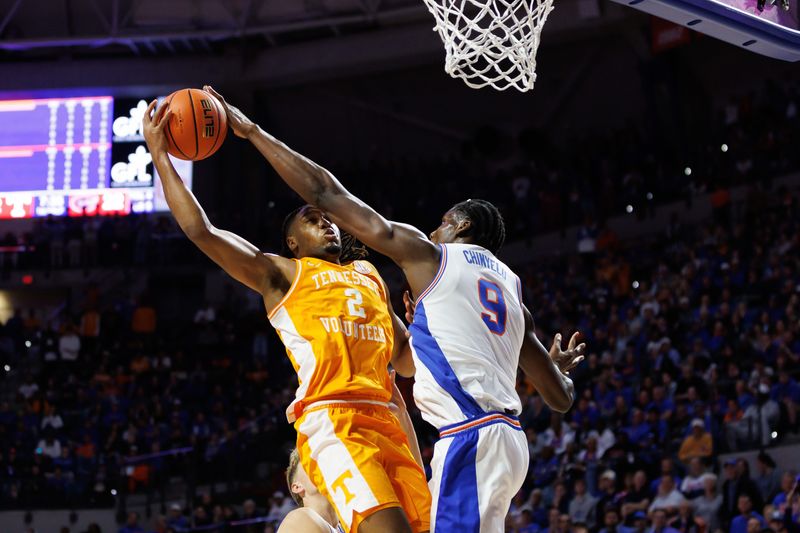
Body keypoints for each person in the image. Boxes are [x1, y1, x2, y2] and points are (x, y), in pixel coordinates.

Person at [206, 85, 584, 533]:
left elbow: (326, 193)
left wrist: (252, 132)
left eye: (443, 222)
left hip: (469, 437)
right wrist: (555, 370)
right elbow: (560, 398)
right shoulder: (512, 290)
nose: (434, 228)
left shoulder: (432, 257)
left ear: (460, 226)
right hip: (510, 443)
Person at [143, 101, 430, 533]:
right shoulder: (282, 275)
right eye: (312, 221)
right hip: (335, 420)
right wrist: (160, 155)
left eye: (327, 220)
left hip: (387, 420)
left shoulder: (369, 275)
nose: (327, 224)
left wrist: (422, 326)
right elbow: (202, 232)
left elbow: (406, 361)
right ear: (292, 243)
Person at [280, 371, 422, 533]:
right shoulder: (301, 519)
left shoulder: (357, 522)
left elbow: (414, 484)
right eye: (309, 460)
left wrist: (400, 416)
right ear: (297, 487)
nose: (321, 461)